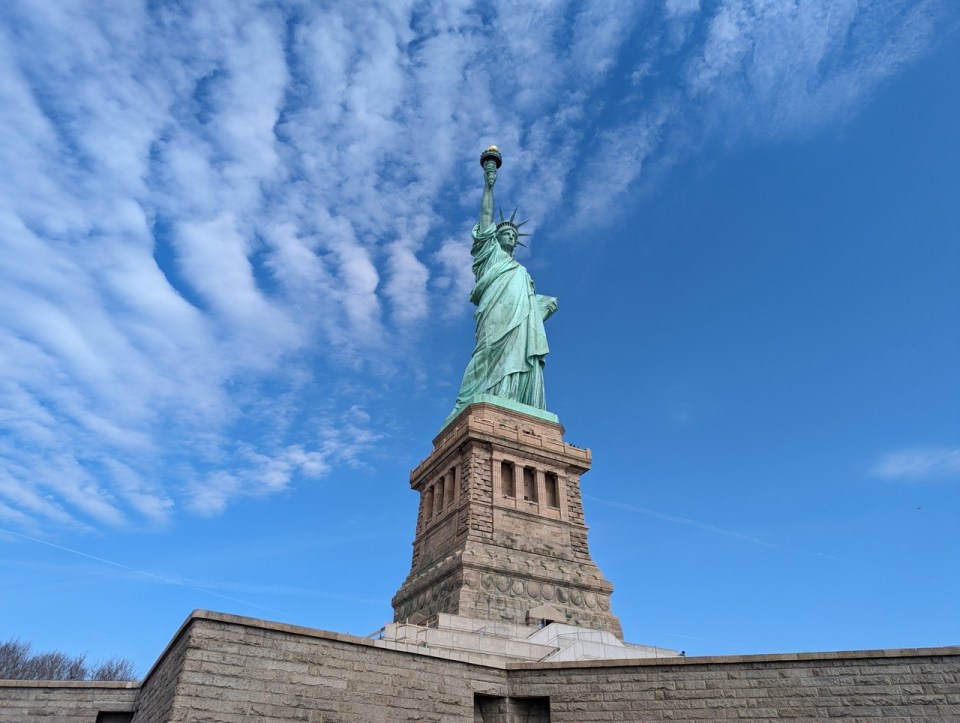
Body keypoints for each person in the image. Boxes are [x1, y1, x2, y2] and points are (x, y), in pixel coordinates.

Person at [447, 149, 557, 422]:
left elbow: (532, 306)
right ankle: (467, 401)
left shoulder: (521, 271)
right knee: (486, 352)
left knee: (518, 352)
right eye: (506, 233)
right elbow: (486, 213)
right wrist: (488, 183)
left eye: (514, 235)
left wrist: (542, 307)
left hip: (519, 320)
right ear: (495, 237)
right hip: (494, 312)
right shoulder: (489, 255)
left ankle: (513, 398)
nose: (511, 237)